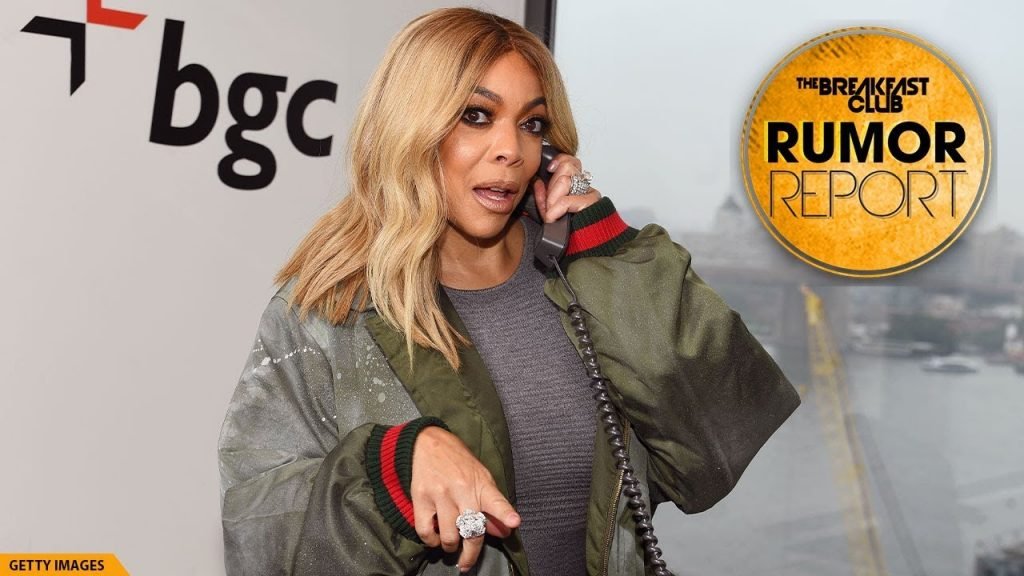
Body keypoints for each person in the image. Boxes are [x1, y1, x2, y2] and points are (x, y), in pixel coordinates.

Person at [218, 7, 800, 576]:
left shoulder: (586, 282)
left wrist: (607, 251)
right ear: (410, 128)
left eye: (532, 124)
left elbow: (713, 448)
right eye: (476, 116)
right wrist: (389, 471)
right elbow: (262, 538)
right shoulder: (328, 312)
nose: (511, 150)